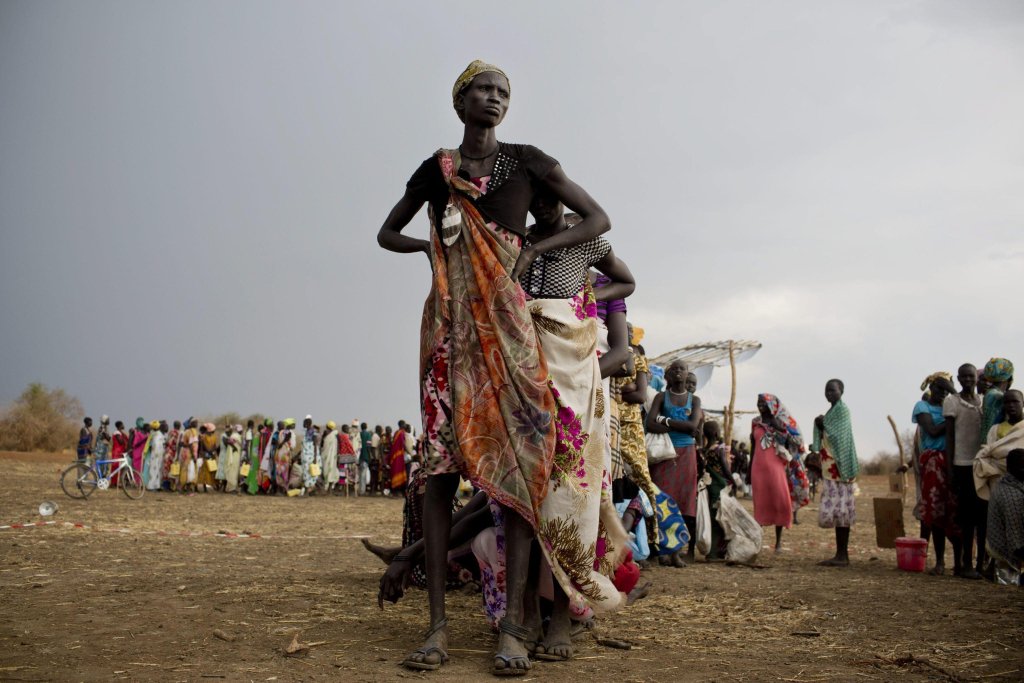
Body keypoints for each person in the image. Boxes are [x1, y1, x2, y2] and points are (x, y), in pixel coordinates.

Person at [377, 59, 612, 675]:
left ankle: (513, 628)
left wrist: (532, 247)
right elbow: (386, 232)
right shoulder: (438, 171)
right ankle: (435, 630)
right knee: (437, 476)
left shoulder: (530, 161)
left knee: (518, 476)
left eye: (504, 92)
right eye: (484, 89)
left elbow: (597, 220)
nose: (495, 98)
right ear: (460, 102)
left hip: (509, 336)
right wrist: (430, 247)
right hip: (449, 333)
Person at [646, 360, 703, 565]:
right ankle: (661, 550)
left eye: (682, 368)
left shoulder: (694, 400)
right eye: (675, 369)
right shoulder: (662, 397)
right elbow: (649, 424)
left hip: (687, 453)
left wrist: (666, 421)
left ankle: (676, 551)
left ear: (687, 373)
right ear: (668, 375)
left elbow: (693, 426)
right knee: (663, 499)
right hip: (664, 452)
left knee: (683, 501)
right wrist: (678, 427)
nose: (679, 371)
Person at [913, 372, 957, 575]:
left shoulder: (952, 404)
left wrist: (953, 394)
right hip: (933, 461)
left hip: (954, 460)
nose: (942, 393)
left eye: (946, 389)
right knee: (936, 510)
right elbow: (931, 430)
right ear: (931, 388)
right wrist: (952, 419)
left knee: (955, 511)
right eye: (939, 388)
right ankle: (939, 561)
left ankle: (958, 561)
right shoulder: (922, 407)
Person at [943, 364, 985, 579]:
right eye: (964, 376)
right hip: (962, 465)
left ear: (976, 379)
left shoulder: (984, 401)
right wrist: (950, 468)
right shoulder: (951, 402)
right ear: (958, 379)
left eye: (971, 376)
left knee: (982, 517)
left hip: (983, 466)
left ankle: (981, 564)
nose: (968, 380)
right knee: (967, 518)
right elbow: (949, 437)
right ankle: (966, 564)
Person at [812, 379, 859, 567]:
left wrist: (823, 424)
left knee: (842, 511)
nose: (829, 393)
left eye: (833, 390)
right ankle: (841, 554)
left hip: (841, 468)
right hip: (832, 468)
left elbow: (839, 436)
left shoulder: (842, 411)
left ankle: (842, 555)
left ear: (842, 391)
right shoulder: (832, 412)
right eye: (826, 390)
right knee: (839, 511)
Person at [750, 393, 804, 552]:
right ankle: (757, 541)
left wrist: (778, 427)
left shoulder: (781, 422)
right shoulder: (755, 422)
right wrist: (748, 469)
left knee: (779, 501)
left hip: (776, 467)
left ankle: (778, 543)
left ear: (772, 405)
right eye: (758, 402)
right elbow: (753, 445)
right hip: (757, 467)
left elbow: (793, 443)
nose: (760, 405)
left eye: (763, 402)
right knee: (760, 503)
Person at [974, 390, 1024, 502]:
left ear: (1023, 403)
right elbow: (991, 454)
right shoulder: (995, 429)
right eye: (1007, 402)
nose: (1011, 405)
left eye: (1015, 401)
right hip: (999, 479)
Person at [985, 448, 1024, 585]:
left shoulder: (1005, 483)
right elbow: (1016, 542)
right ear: (1019, 469)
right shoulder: (1013, 496)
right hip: (1007, 552)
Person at [700, 420, 732, 560]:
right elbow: (725, 468)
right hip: (719, 487)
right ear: (716, 433)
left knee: (712, 519)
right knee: (720, 520)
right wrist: (733, 481)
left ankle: (713, 552)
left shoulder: (703, 451)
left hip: (708, 487)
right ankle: (715, 552)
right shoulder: (719, 450)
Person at [981, 358, 1014, 445]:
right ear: (1010, 377)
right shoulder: (999, 396)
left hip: (987, 442)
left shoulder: (989, 393)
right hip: (995, 443)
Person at [179, 419, 199, 494]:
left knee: (184, 469)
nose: (197, 424)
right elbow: (191, 445)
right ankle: (188, 489)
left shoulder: (186, 431)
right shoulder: (193, 432)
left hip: (185, 452)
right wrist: (194, 456)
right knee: (190, 470)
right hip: (190, 453)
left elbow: (181, 443)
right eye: (196, 423)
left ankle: (182, 488)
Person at [197, 423, 218, 493]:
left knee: (212, 470)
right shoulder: (203, 437)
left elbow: (215, 445)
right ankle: (204, 487)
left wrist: (212, 452)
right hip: (206, 455)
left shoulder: (214, 437)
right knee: (205, 471)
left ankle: (212, 485)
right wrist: (209, 451)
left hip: (212, 455)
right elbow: (203, 446)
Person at [300, 416, 319, 493]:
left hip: (311, 455)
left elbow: (315, 444)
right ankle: (309, 488)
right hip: (305, 456)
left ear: (308, 424)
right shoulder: (305, 432)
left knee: (311, 472)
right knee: (305, 471)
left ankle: (310, 489)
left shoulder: (313, 432)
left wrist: (315, 457)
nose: (303, 424)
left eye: (304, 423)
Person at [146, 420, 166, 491]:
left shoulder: (156, 434)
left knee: (157, 470)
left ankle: (157, 485)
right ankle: (152, 486)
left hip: (158, 454)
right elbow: (154, 444)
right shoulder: (155, 434)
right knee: (154, 470)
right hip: (155, 455)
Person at [321, 421, 340, 493]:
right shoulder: (335, 435)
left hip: (329, 457)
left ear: (327, 426)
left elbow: (322, 445)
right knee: (330, 471)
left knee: (328, 471)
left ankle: (329, 489)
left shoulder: (333, 435)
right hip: (331, 456)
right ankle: (328, 488)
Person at [164, 421, 181, 492]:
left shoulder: (170, 432)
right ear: (179, 426)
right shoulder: (179, 433)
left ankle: (166, 486)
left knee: (166, 469)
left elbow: (167, 442)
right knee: (174, 470)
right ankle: (173, 486)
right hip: (174, 453)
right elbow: (178, 445)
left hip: (168, 452)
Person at [359, 422, 374, 495]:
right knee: (363, 475)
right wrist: (370, 455)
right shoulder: (368, 435)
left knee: (360, 474)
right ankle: (362, 491)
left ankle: (361, 490)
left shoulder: (359, 434)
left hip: (359, 456)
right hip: (365, 456)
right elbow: (368, 446)